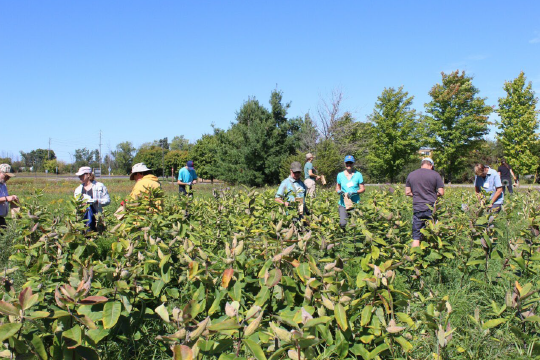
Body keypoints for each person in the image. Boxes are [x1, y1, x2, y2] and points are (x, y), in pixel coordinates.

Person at [405, 158, 444, 248]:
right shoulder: (435, 174)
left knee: (416, 236)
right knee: (434, 232)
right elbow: (441, 192)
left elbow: (407, 192)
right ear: (431, 165)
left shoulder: (411, 174)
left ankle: (415, 256)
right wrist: (432, 195)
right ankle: (433, 254)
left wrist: (417, 195)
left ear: (422, 164)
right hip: (431, 207)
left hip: (418, 207)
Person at [74, 166, 111, 231]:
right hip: (83, 217)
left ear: (88, 175)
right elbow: (75, 204)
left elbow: (107, 200)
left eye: (82, 175)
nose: (79, 177)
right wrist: (81, 204)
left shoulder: (99, 186)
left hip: (96, 216)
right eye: (79, 176)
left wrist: (96, 201)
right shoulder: (78, 189)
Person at [336, 155, 365, 229]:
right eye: (347, 163)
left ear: (353, 163)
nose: (349, 165)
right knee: (343, 223)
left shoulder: (358, 175)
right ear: (344, 163)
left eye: (350, 163)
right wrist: (339, 191)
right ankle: (344, 236)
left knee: (354, 224)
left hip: (355, 203)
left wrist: (355, 192)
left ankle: (352, 239)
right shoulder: (340, 175)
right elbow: (337, 187)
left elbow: (362, 189)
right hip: (343, 203)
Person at [0, 164, 19, 230]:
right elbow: (5, 198)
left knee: (5, 235)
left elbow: (4, 197)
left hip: (1, 218)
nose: (8, 178)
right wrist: (6, 199)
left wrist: (11, 198)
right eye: (6, 176)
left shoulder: (3, 184)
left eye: (9, 177)